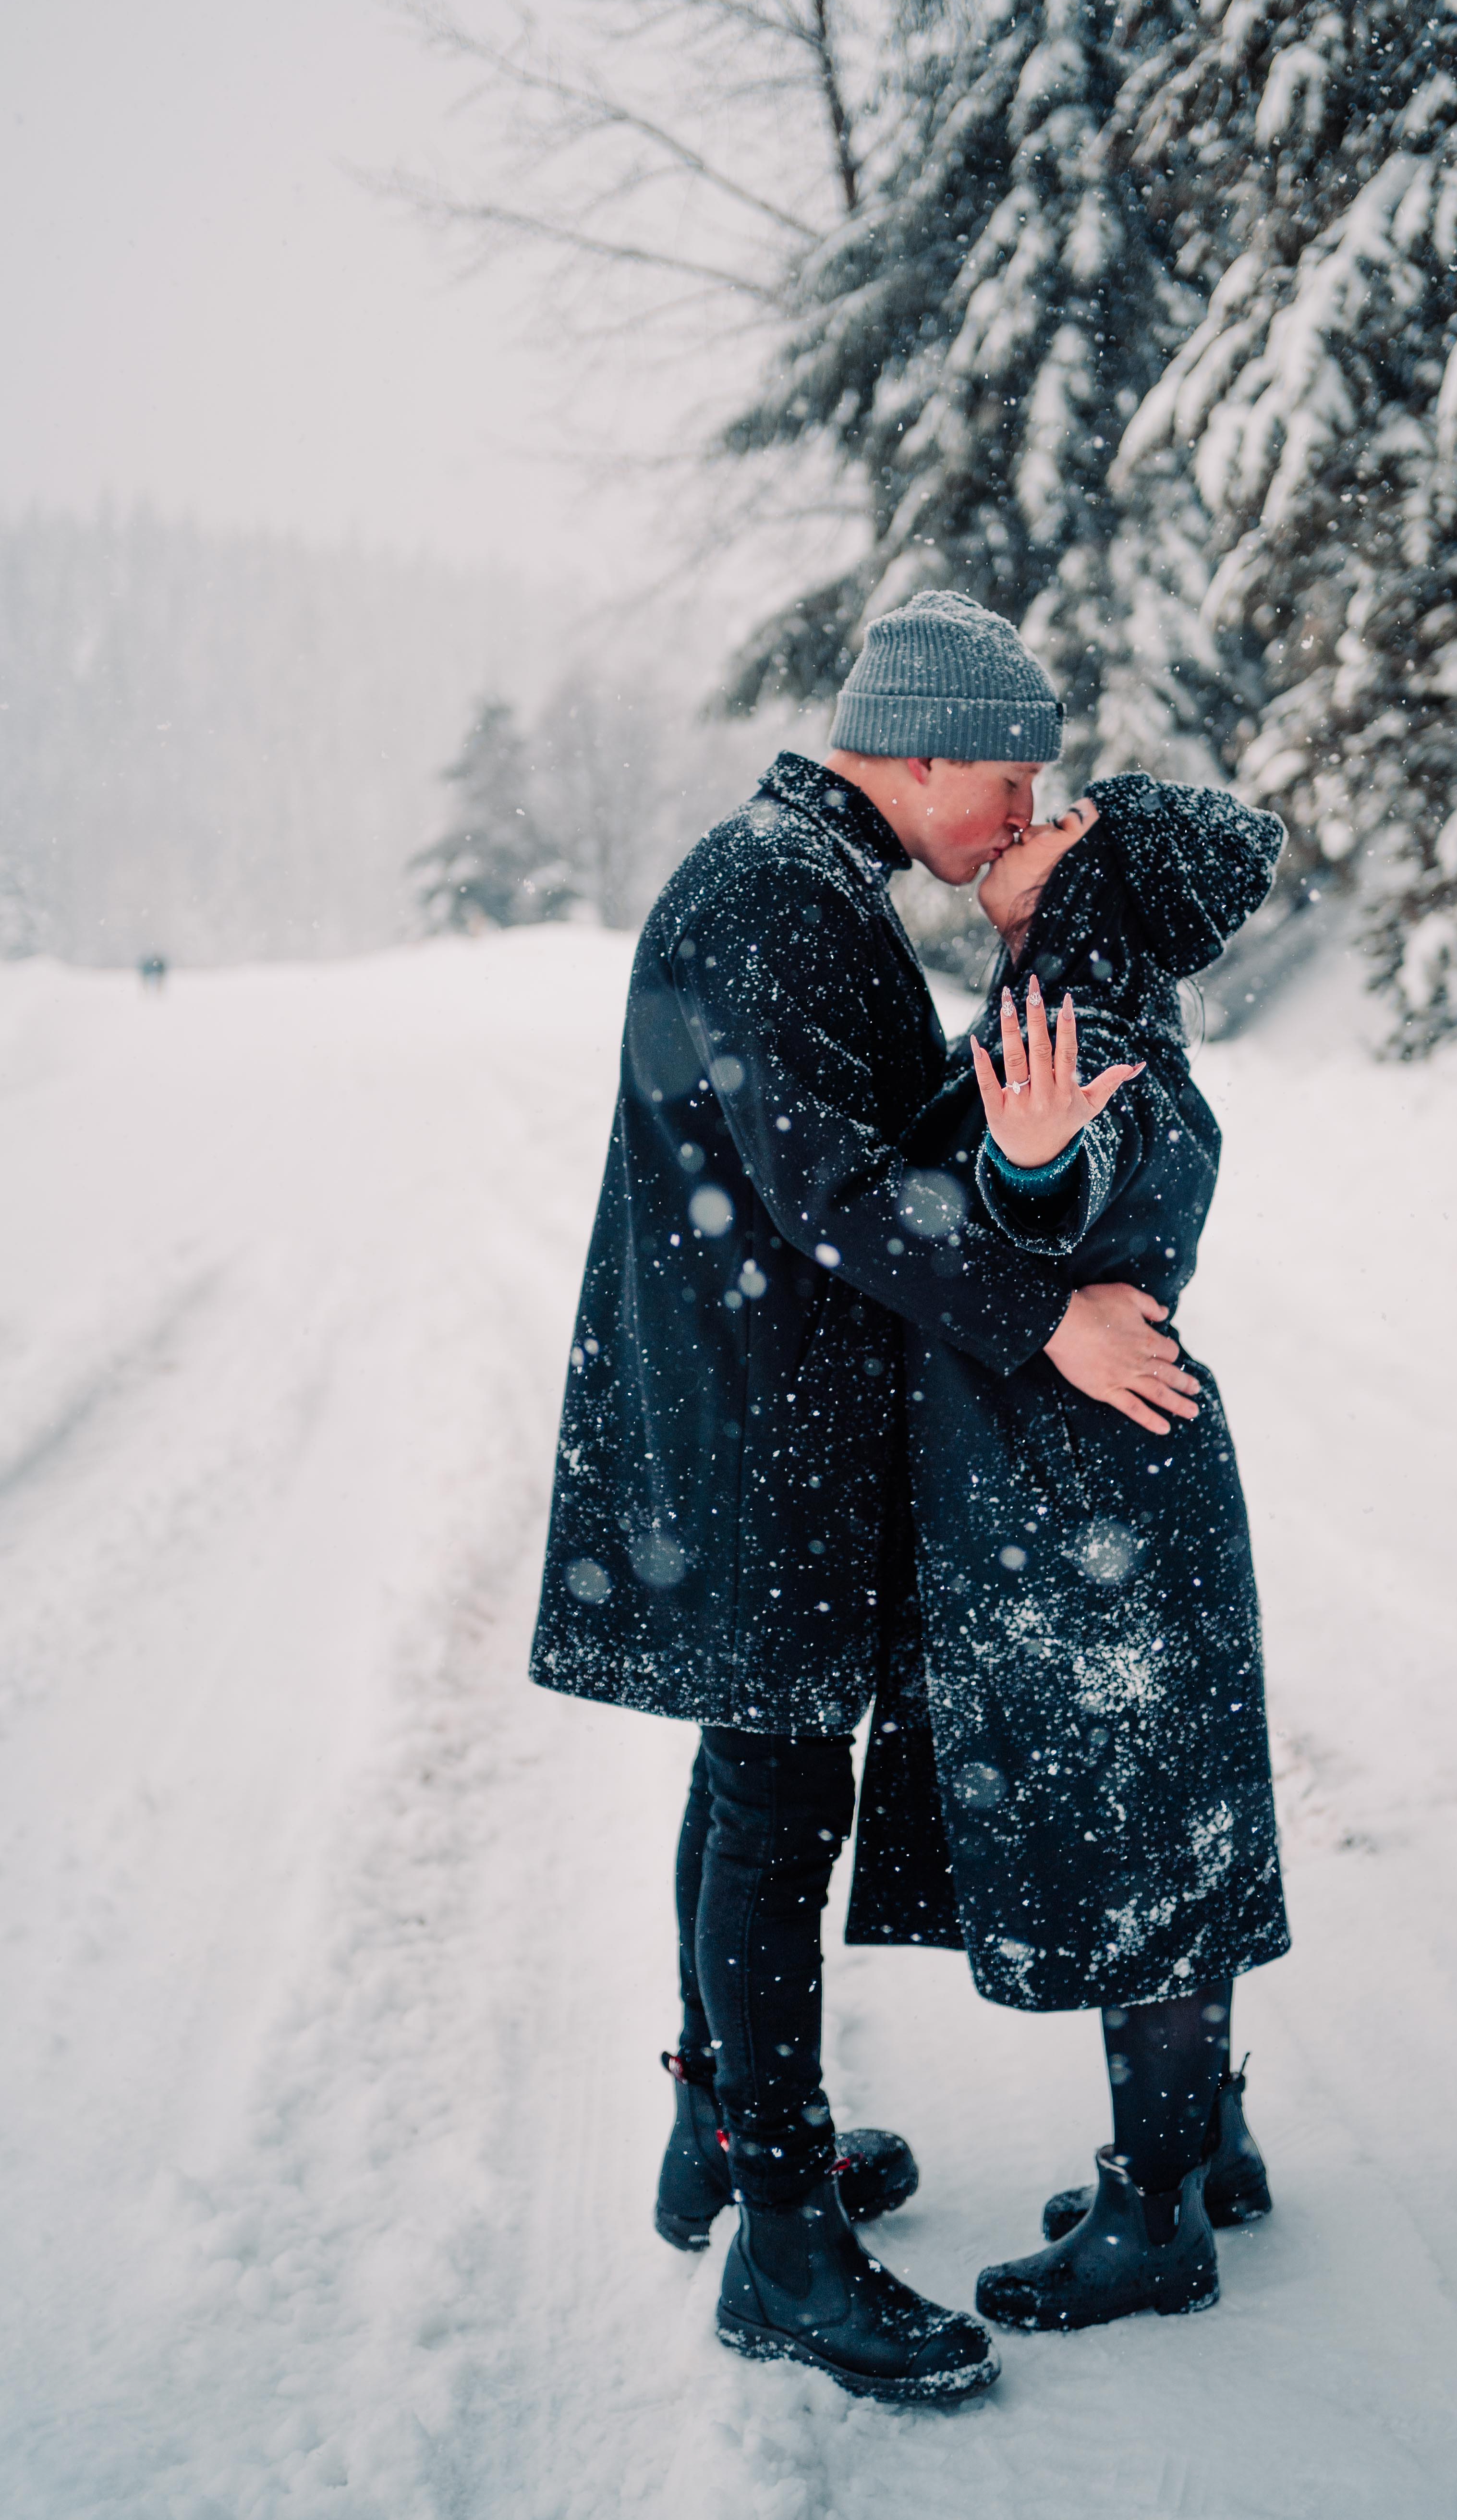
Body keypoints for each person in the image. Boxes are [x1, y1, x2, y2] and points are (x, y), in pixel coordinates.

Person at [527, 594, 1195, 2409]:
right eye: (1007, 778)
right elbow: (829, 1185)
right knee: (774, 1806)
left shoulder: (806, 881)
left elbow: (869, 1148)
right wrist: (1046, 1319)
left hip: (756, 1417)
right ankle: (784, 2241)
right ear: (915, 752)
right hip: (758, 1434)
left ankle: (721, 2139)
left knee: (750, 1777)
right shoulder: (772, 895)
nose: (1020, 808)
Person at [844, 773, 1290, 2332]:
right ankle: (1205, 2144)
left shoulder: (1078, 1021)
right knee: (1161, 1818)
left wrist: (1031, 1169)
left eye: (1072, 815)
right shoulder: (1087, 1001)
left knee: (1135, 1840)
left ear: (1098, 877)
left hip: (1079, 1491)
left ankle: (1155, 2214)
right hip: (1107, 1480)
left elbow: (1073, 1185)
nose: (1038, 814)